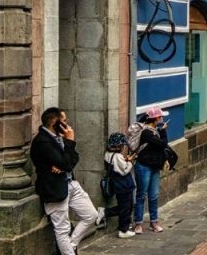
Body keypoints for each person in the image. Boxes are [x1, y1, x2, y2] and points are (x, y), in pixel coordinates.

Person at [30, 107, 99, 254]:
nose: (68, 125)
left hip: (70, 183)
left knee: (91, 215)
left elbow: (73, 159)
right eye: (65, 121)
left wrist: (64, 165)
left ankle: (71, 245)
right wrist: (69, 143)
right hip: (55, 189)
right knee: (62, 229)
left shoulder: (58, 136)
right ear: (54, 122)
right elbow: (67, 162)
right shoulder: (42, 141)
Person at [133, 107, 172, 234]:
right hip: (143, 166)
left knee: (154, 196)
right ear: (155, 119)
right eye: (160, 117)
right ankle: (138, 223)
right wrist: (164, 131)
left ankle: (154, 222)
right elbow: (163, 144)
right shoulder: (147, 133)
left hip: (154, 166)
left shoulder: (154, 131)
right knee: (141, 195)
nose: (162, 119)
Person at [104, 132, 137, 238]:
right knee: (125, 208)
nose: (123, 147)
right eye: (122, 145)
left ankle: (106, 212)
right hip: (123, 185)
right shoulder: (117, 156)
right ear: (118, 145)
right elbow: (124, 171)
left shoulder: (108, 154)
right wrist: (131, 162)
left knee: (126, 206)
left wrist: (125, 160)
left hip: (118, 185)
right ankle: (123, 230)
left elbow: (118, 167)